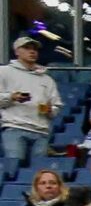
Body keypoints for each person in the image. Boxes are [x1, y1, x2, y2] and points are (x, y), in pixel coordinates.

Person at [1, 37, 59, 175]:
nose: (32, 52)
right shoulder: (4, 72)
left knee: (39, 173)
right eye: (27, 48)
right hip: (14, 127)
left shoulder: (47, 79)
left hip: (41, 131)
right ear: (16, 51)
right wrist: (11, 97)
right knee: (13, 169)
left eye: (34, 49)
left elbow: (56, 105)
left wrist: (50, 110)